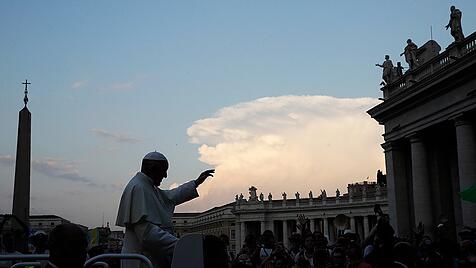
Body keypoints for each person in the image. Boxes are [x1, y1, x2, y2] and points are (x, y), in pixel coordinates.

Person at [115, 151, 215, 268]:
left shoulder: (147, 186)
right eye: (164, 170)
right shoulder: (139, 187)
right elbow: (147, 233)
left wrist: (196, 183)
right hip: (140, 260)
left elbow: (170, 196)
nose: (165, 175)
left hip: (146, 257)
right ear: (153, 168)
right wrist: (180, 245)